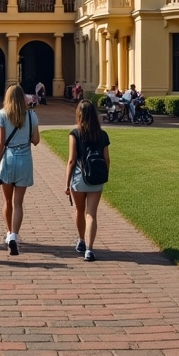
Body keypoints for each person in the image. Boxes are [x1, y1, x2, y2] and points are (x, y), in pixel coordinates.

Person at [0, 83, 40, 255]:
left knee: (7, 201)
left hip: (8, 158)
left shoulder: (2, 114)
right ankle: (14, 235)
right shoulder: (31, 116)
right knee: (18, 203)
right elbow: (36, 140)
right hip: (25, 159)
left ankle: (8, 233)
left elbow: (0, 143)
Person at [65, 99, 110, 262]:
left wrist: (67, 183)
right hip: (96, 177)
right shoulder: (102, 135)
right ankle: (90, 249)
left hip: (79, 176)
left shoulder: (75, 133)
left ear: (79, 114)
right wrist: (104, 176)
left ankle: (82, 241)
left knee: (79, 210)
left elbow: (71, 160)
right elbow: (107, 159)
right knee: (91, 214)